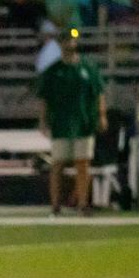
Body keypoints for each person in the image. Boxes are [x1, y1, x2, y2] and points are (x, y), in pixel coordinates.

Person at [37, 28, 108, 215]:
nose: (70, 43)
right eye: (67, 40)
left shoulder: (88, 68)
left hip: (84, 121)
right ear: (61, 44)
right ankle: (55, 205)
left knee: (83, 164)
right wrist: (43, 120)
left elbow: (98, 92)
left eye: (73, 40)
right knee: (58, 164)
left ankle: (83, 203)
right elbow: (44, 97)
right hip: (61, 123)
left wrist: (101, 115)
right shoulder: (53, 71)